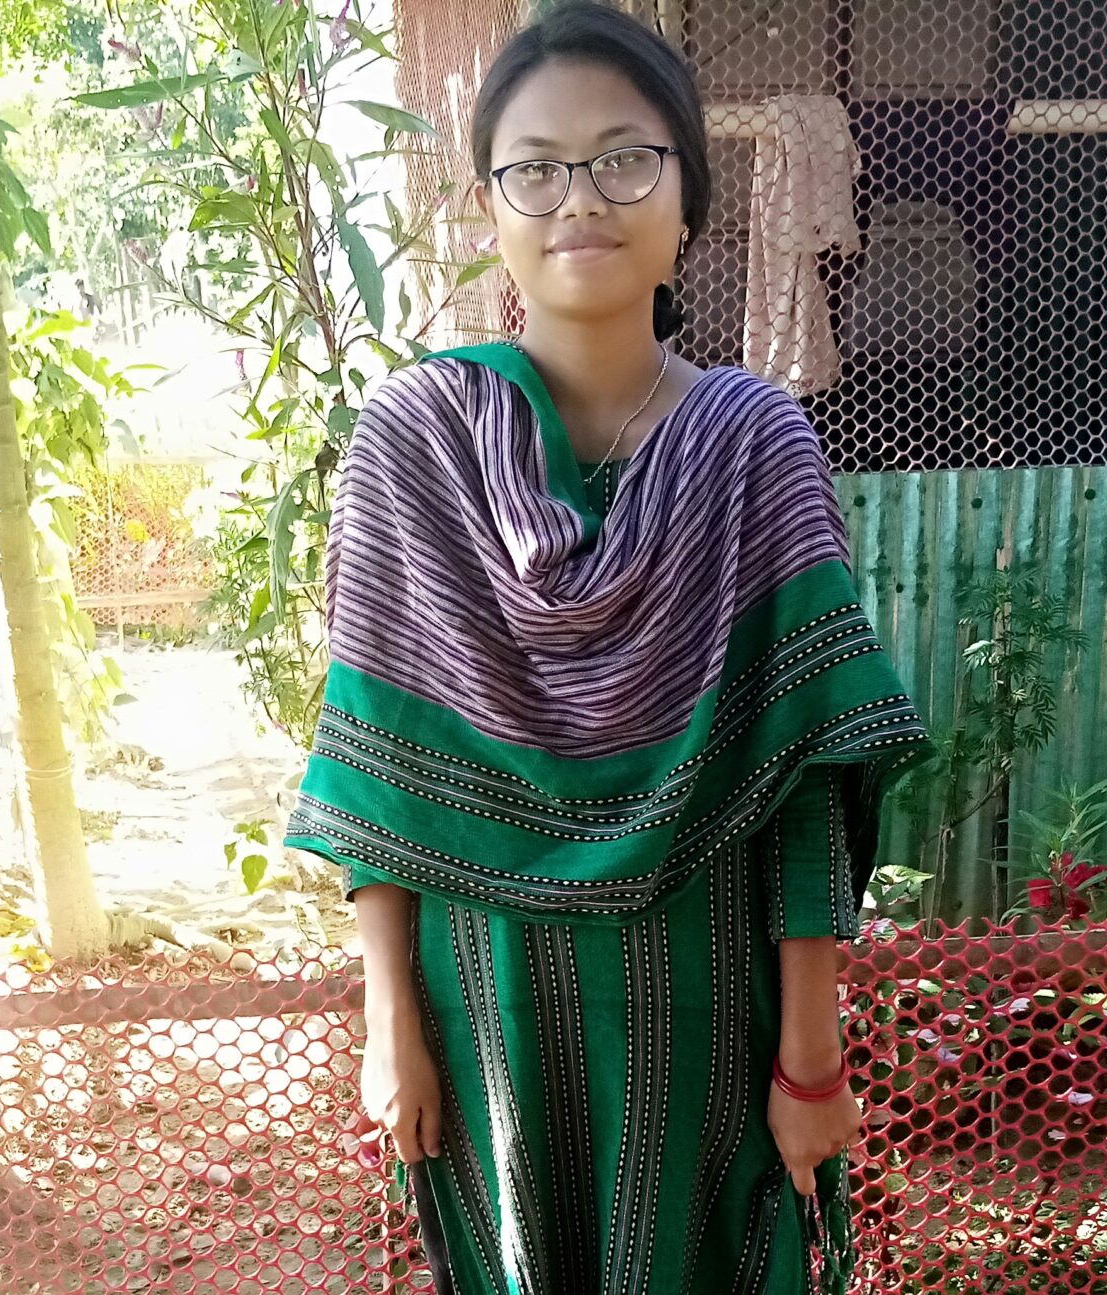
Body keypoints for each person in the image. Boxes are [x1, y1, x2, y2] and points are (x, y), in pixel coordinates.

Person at [284, 3, 933, 1291]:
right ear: (491, 207)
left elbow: (807, 788)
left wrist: (812, 1065)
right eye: (537, 166)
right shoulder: (412, 446)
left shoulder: (759, 450)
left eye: (625, 157)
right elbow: (376, 775)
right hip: (493, 1010)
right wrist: (387, 1026)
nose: (581, 198)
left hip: (713, 1009)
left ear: (687, 198)